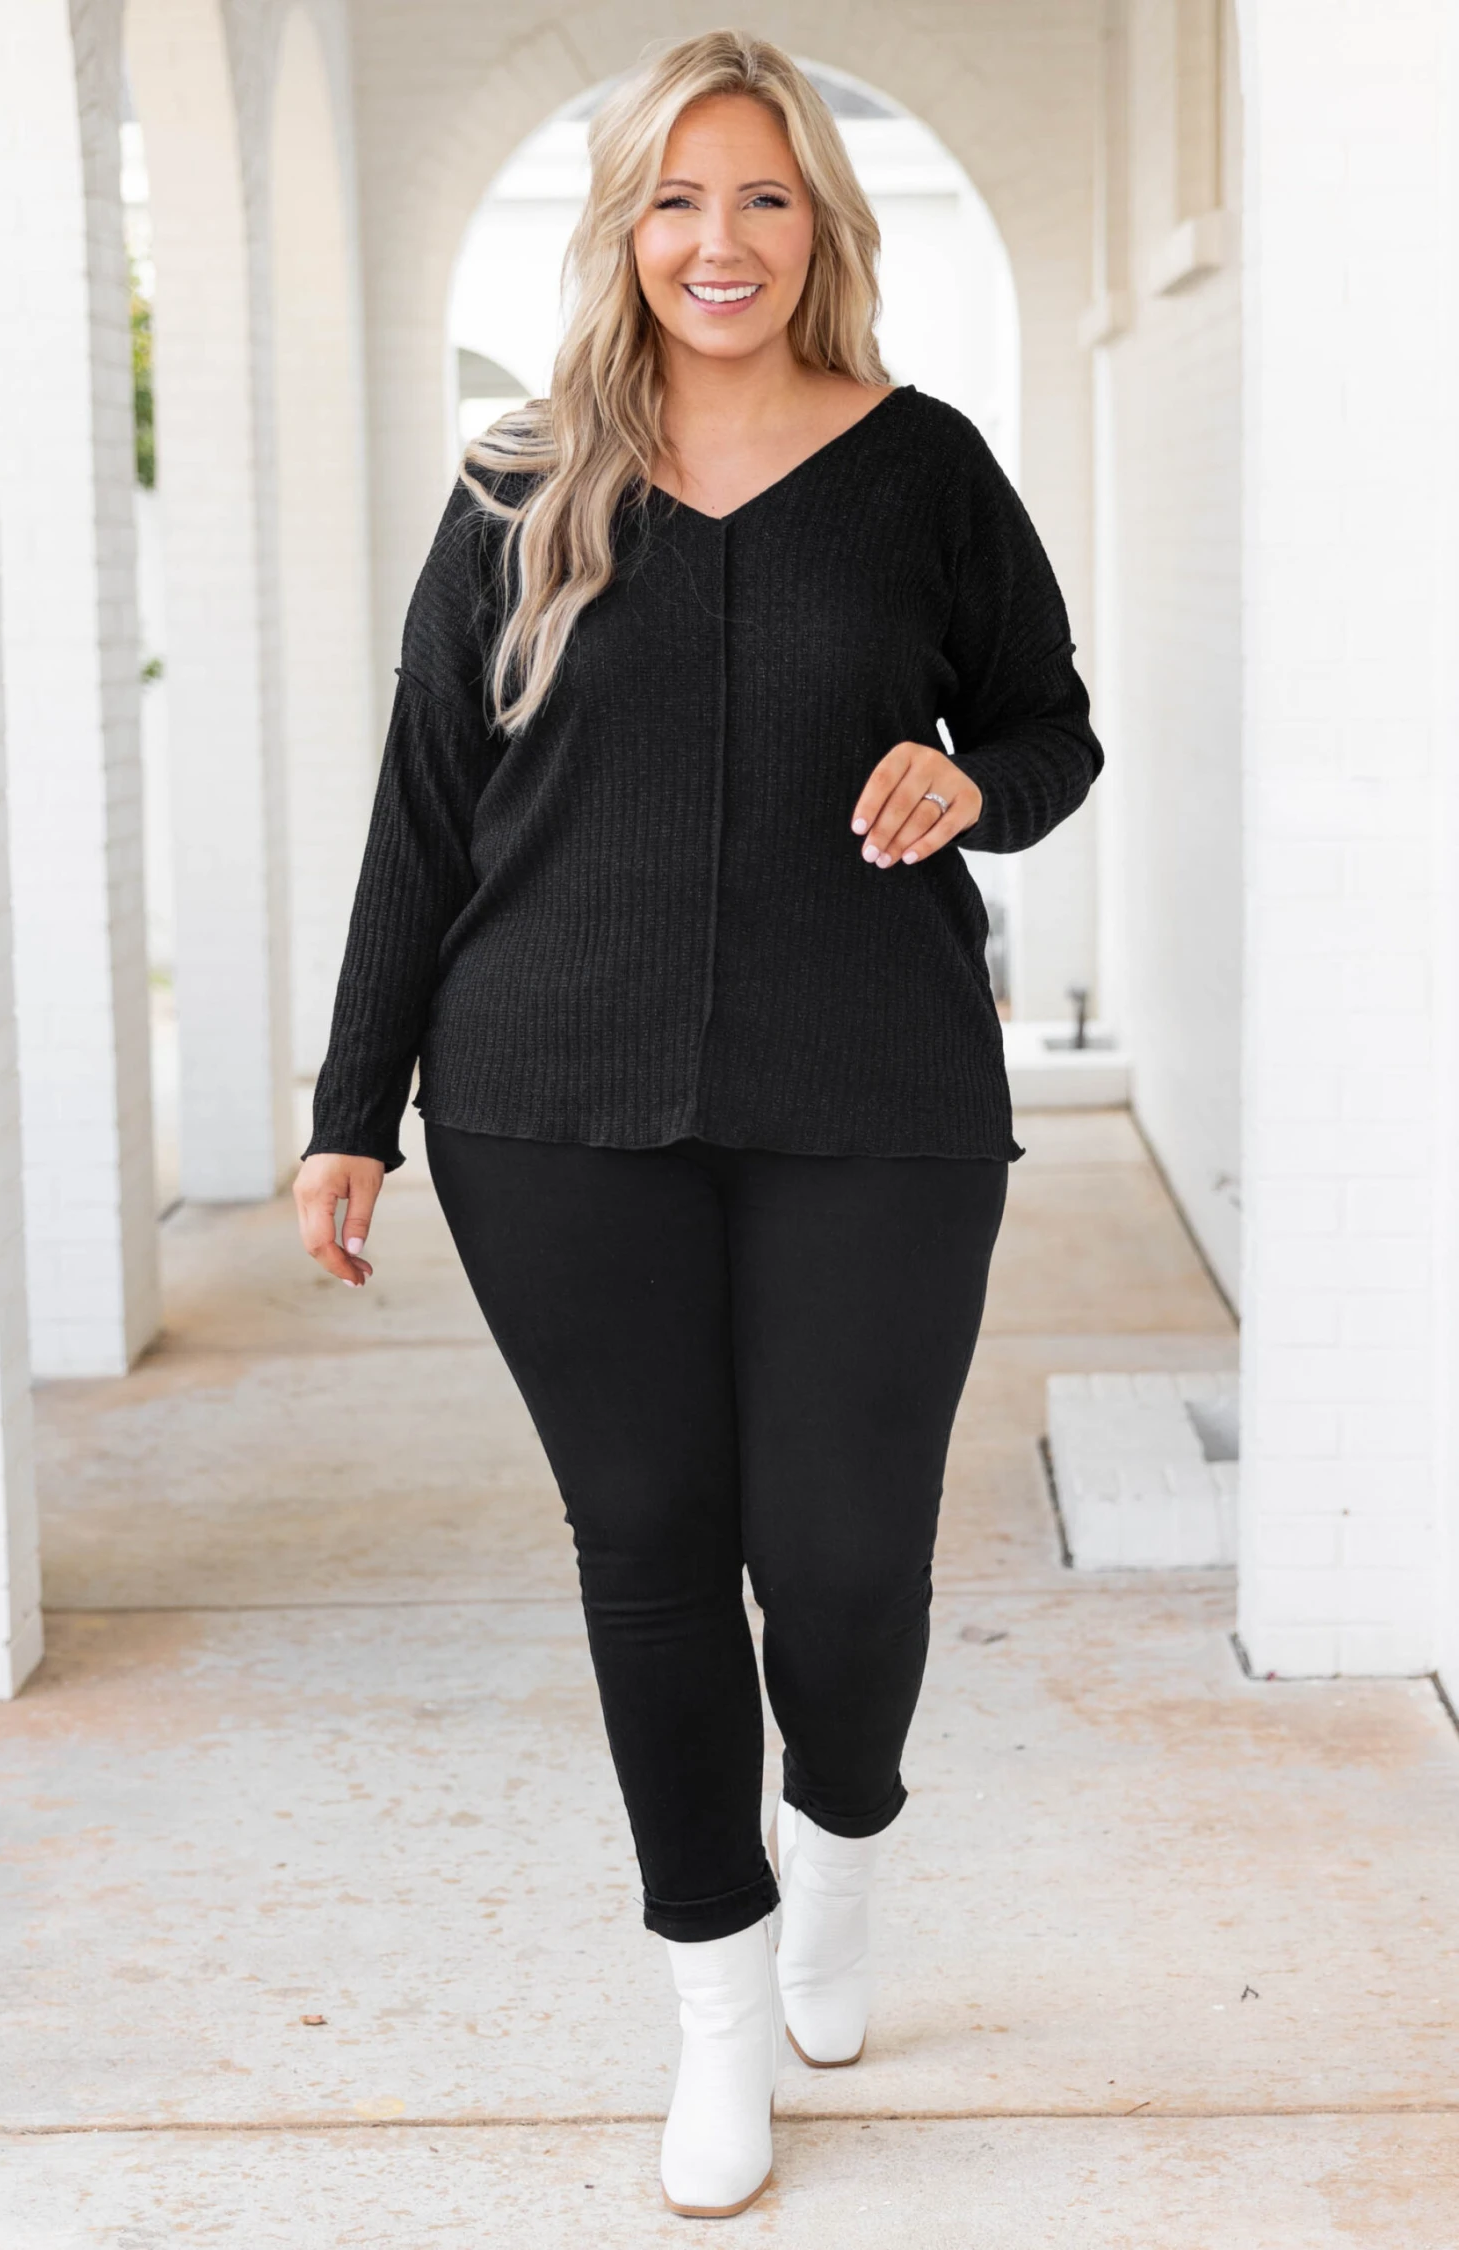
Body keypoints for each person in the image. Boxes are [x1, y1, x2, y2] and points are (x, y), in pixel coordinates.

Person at [296, 28, 1101, 2220]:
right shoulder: (518, 483)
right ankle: (717, 2012)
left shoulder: (925, 469)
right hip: (549, 1101)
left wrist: (972, 782)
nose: (716, 241)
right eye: (674, 198)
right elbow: (425, 807)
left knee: (844, 1561)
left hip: (877, 1097)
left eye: (760, 196)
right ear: (621, 227)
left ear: (818, 222)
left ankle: (841, 1835)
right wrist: (353, 1109)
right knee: (648, 1549)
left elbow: (1051, 728)